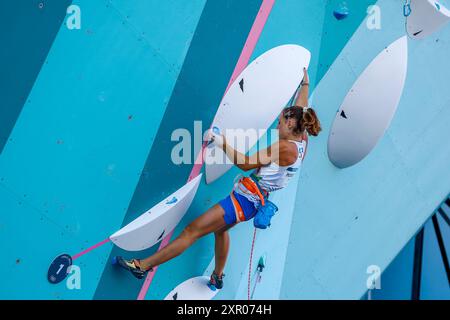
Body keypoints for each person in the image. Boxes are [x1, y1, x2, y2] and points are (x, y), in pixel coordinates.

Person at [114, 68, 321, 289]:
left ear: (291, 124)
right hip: (252, 200)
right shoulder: (302, 140)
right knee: (221, 230)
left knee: (192, 231)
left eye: (280, 121)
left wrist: (219, 140)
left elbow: (245, 162)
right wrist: (305, 85)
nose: (278, 124)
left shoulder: (284, 147)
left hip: (243, 202)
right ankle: (218, 276)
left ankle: (142, 266)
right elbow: (301, 108)